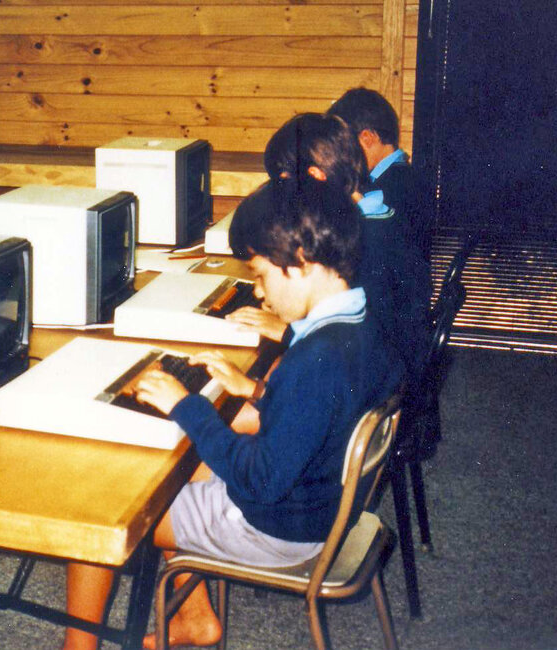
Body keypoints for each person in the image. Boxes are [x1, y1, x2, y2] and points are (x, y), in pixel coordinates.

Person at [62, 179, 403, 650]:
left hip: (278, 527)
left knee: (103, 508)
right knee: (191, 462)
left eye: (261, 275)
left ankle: (76, 647)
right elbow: (319, 417)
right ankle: (195, 620)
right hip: (323, 508)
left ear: (299, 263)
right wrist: (257, 390)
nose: (260, 294)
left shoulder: (315, 362)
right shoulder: (361, 327)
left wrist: (187, 406)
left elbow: (262, 478)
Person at [256, 111, 431, 381]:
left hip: (383, 377)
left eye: (285, 184)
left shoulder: (364, 243)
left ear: (316, 177)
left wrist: (286, 331)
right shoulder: (375, 216)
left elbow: (365, 343)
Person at [326, 87, 432, 263]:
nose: (342, 156)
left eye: (344, 146)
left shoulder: (394, 188)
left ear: (367, 138)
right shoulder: (404, 177)